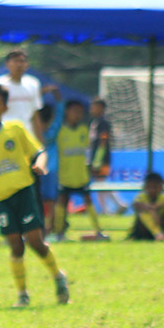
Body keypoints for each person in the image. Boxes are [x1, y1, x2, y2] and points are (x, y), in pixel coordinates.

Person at [0, 82, 69, 308]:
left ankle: (58, 276)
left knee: (35, 242)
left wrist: (40, 165)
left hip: (23, 193)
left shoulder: (15, 129)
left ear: (4, 108)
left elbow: (39, 152)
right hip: (0, 199)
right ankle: (22, 294)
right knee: (16, 246)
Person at [52, 100, 108, 241]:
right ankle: (59, 233)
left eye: (80, 112)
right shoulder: (60, 131)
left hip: (81, 175)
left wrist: (93, 164)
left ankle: (98, 231)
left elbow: (88, 150)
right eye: (74, 111)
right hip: (64, 176)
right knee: (61, 203)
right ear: (67, 112)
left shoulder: (84, 130)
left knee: (88, 201)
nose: (77, 115)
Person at [89, 98, 126, 215]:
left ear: (101, 108)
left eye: (94, 106)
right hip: (95, 158)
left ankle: (117, 205)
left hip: (101, 159)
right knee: (99, 182)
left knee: (101, 182)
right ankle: (107, 209)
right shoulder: (95, 122)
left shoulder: (103, 123)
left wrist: (97, 159)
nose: (91, 109)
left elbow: (103, 141)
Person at [37, 85, 65, 234]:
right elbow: (59, 114)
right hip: (49, 170)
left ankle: (48, 227)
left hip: (44, 170)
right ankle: (47, 227)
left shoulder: (34, 132)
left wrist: (39, 93)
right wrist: (58, 98)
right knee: (48, 201)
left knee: (46, 200)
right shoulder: (52, 130)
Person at [0, 50, 42, 138]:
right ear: (7, 64)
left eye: (22, 61)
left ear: (27, 65)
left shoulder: (33, 83)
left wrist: (40, 140)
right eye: (15, 61)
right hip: (6, 135)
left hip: (27, 135)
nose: (19, 65)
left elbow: (35, 114)